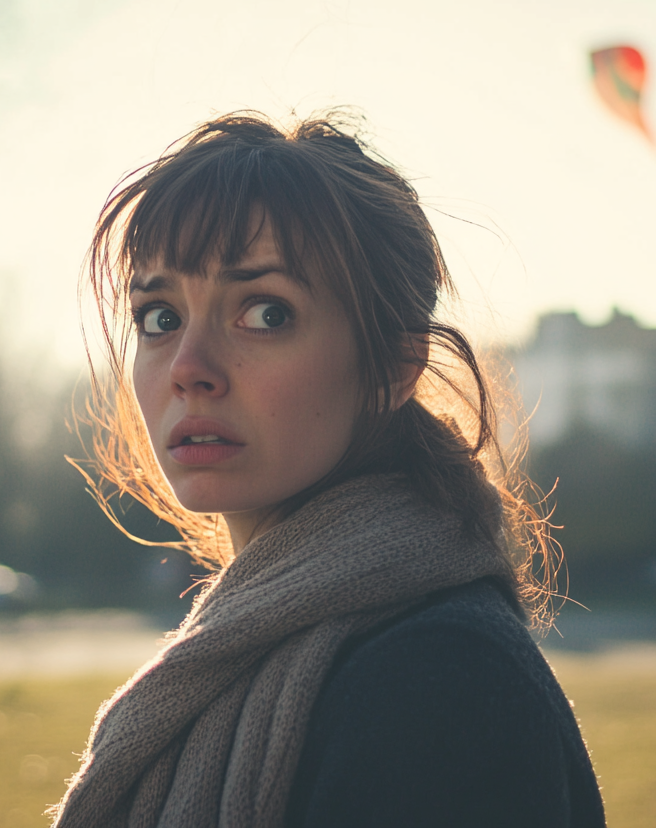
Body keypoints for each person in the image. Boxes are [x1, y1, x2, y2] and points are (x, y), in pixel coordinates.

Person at [51, 112, 606, 828]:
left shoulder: (439, 683)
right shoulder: (235, 653)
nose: (189, 368)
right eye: (159, 317)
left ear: (391, 367)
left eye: (264, 312)